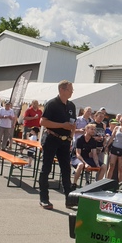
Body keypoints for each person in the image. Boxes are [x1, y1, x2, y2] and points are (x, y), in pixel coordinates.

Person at [39, 80, 76, 209]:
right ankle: (44, 198)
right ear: (62, 90)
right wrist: (62, 125)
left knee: (66, 169)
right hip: (51, 138)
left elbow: (73, 123)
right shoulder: (52, 104)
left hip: (65, 141)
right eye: (70, 89)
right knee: (46, 169)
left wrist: (71, 135)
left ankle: (69, 199)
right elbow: (43, 122)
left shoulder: (71, 106)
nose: (72, 92)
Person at [71, 123, 100, 188]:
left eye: (94, 130)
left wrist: (97, 164)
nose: (93, 131)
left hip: (86, 158)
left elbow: (94, 154)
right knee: (81, 165)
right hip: (76, 158)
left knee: (103, 166)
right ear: (86, 129)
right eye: (92, 129)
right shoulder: (80, 139)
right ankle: (74, 183)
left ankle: (97, 186)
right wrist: (85, 163)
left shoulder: (93, 141)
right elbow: (78, 154)